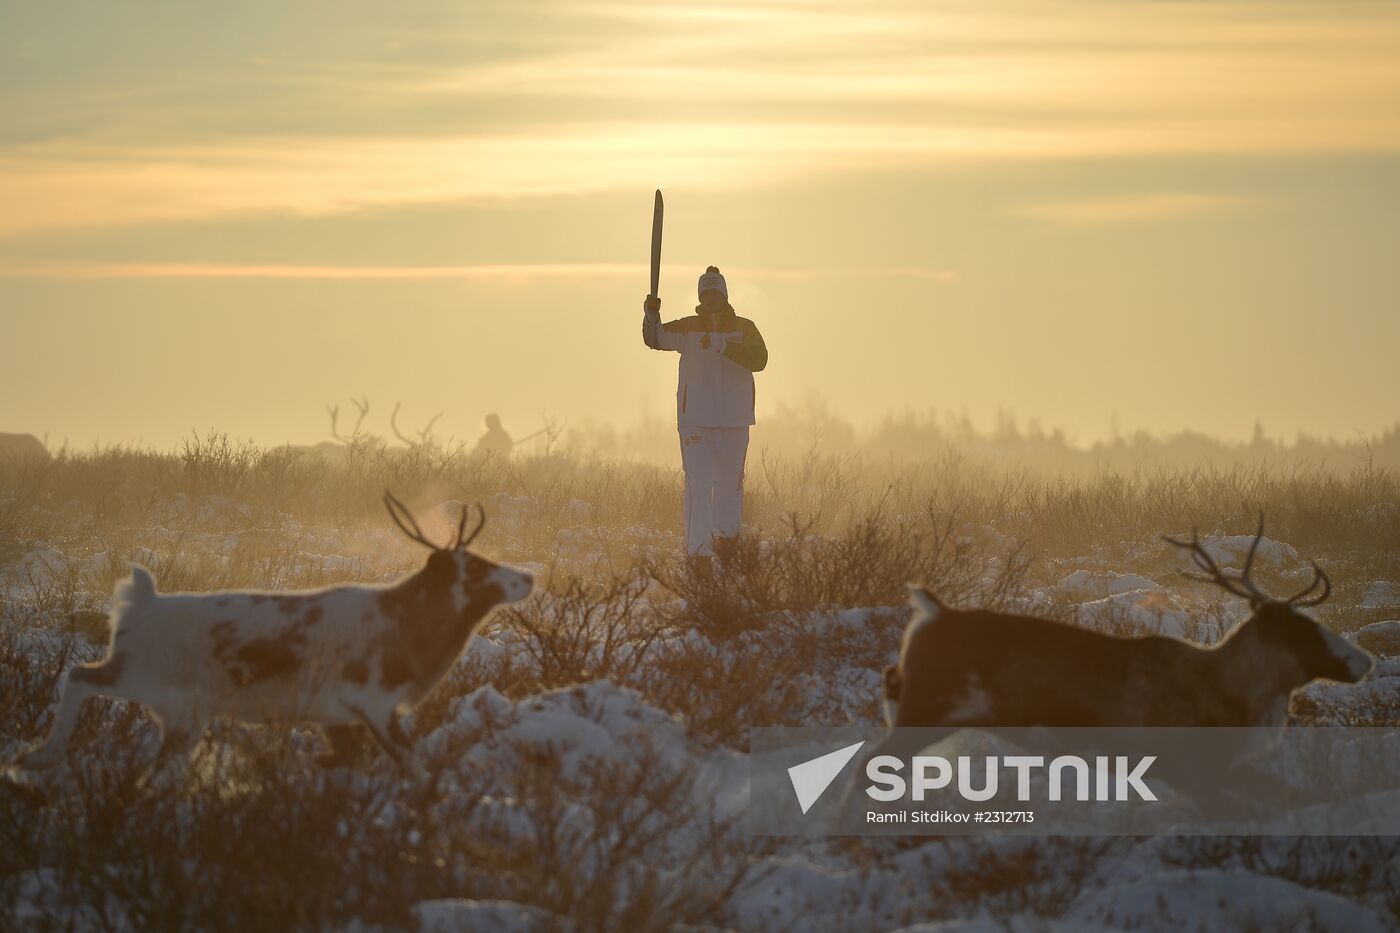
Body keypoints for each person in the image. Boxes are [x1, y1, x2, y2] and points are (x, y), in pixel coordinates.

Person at [643, 266, 767, 571]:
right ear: (701, 296)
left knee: (729, 486)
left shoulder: (744, 328)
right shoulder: (688, 328)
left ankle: (728, 544)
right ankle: (698, 555)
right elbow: (656, 338)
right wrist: (651, 314)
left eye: (716, 293)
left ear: (724, 295)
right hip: (695, 420)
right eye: (706, 293)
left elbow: (760, 360)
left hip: (735, 421)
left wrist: (724, 345)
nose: (711, 298)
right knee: (697, 486)